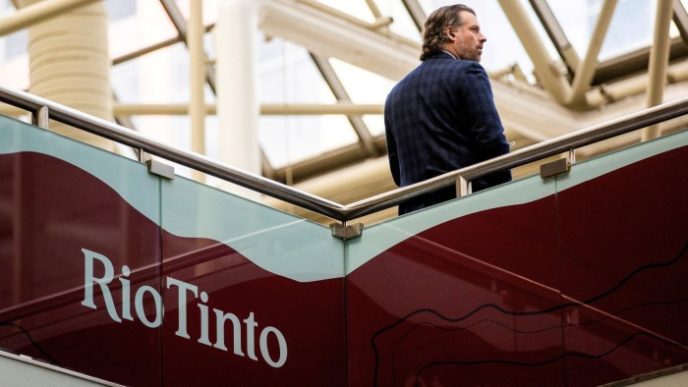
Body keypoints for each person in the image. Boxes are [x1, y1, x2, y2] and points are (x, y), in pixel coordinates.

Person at [384, 4, 511, 215]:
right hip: (467, 207)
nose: (483, 37)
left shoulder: (395, 95)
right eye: (474, 29)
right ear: (451, 33)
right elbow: (492, 142)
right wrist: (506, 195)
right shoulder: (469, 73)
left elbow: (399, 173)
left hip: (414, 219)